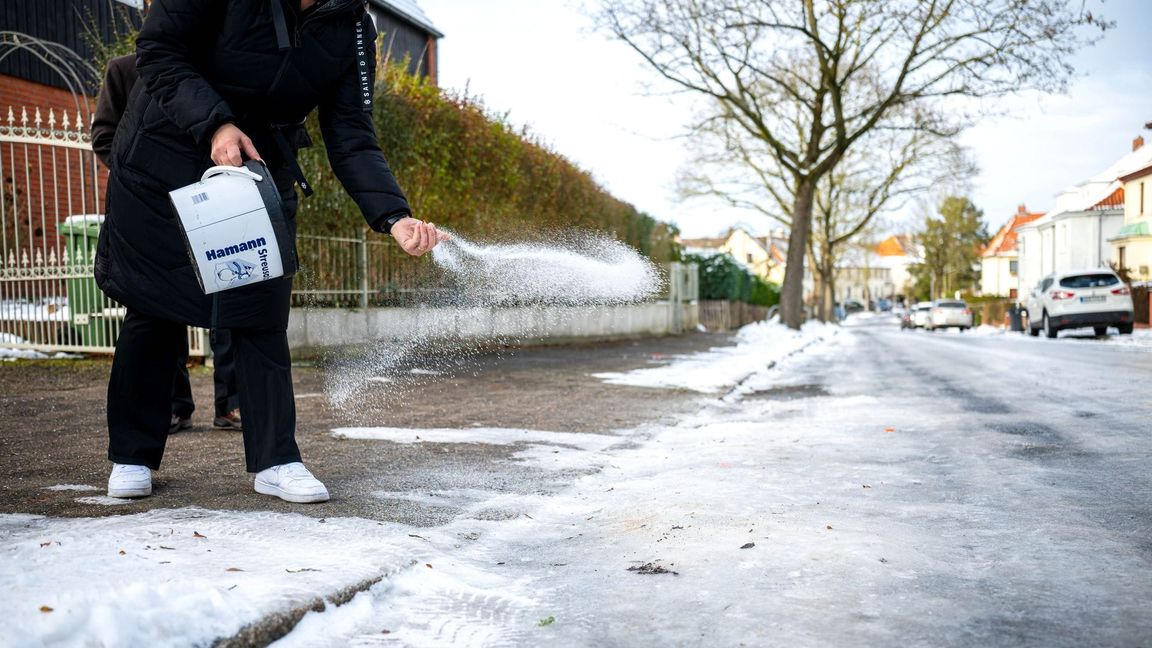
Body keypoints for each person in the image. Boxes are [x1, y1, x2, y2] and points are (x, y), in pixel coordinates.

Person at [96, 0, 445, 503]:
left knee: (261, 311)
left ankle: (276, 460)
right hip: (163, 155)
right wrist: (215, 123)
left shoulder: (352, 28)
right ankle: (132, 454)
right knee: (155, 307)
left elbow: (351, 133)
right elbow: (159, 51)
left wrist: (393, 216)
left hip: (258, 166)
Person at [92, 54, 242, 437]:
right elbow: (104, 136)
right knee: (158, 307)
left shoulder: (214, 65)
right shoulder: (125, 70)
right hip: (152, 206)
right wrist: (141, 177)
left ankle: (232, 403)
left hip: (212, 202)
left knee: (227, 293)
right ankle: (175, 405)